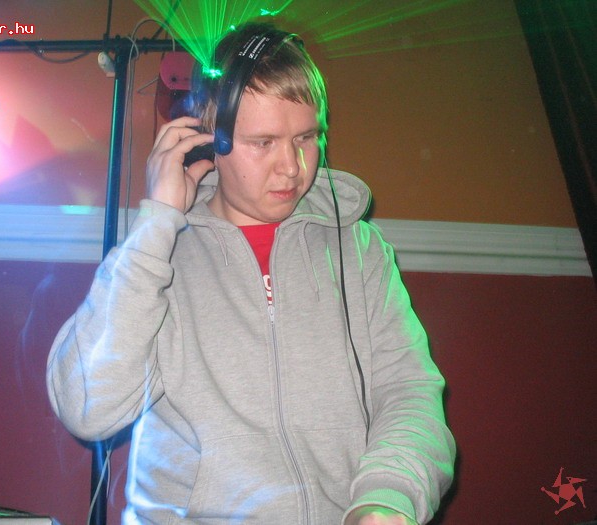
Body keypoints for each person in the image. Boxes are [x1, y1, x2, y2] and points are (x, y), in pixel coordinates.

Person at [47, 21, 455, 525]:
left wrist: (385, 500)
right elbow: (87, 408)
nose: (292, 167)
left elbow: (408, 392)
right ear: (207, 141)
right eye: (263, 142)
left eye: (307, 137)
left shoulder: (360, 250)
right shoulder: (159, 260)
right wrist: (156, 225)